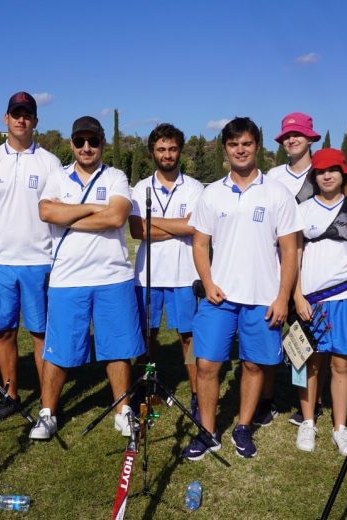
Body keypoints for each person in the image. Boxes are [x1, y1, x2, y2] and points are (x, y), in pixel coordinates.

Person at [181, 117, 301, 460]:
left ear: (258, 147)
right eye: (234, 144)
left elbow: (290, 250)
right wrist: (208, 282)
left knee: (253, 365)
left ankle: (244, 426)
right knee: (206, 365)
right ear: (225, 149)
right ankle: (207, 431)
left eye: (246, 144)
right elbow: (200, 244)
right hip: (220, 297)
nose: (240, 150)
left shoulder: (277, 193)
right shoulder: (211, 193)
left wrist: (282, 297)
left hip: (263, 298)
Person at [28, 116, 145, 440]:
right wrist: (96, 210)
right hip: (68, 278)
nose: (86, 147)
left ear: (102, 143)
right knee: (58, 350)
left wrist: (71, 215)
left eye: (93, 141)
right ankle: (47, 413)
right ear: (71, 144)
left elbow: (117, 216)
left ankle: (123, 410)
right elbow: (46, 212)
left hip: (112, 277)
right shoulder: (57, 177)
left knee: (118, 348)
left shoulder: (117, 176)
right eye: (80, 141)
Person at [258, 111, 347, 428]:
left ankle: (313, 406)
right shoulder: (273, 175)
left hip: (310, 274)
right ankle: (268, 400)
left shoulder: (324, 171)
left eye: (298, 135)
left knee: (308, 343)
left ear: (310, 139)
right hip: (276, 268)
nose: (292, 140)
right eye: (287, 136)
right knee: (286, 340)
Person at [0, 92, 62, 424]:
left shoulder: (51, 163)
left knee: (40, 334)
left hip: (39, 261)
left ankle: (46, 401)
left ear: (36, 121)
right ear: (6, 118)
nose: (21, 119)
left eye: (27, 114)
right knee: (4, 331)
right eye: (16, 114)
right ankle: (9, 394)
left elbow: (55, 212)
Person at [292, 148, 347, 455]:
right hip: (309, 300)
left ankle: (340, 427)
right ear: (315, 176)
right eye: (321, 171)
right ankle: (308, 422)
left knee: (341, 365)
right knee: (309, 363)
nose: (327, 176)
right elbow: (294, 255)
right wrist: (297, 295)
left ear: (344, 175)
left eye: (333, 170)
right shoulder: (301, 210)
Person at [128, 123, 204, 418]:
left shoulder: (195, 188)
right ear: (152, 153)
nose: (167, 154)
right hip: (147, 275)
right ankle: (147, 389)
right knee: (147, 337)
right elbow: (137, 230)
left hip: (185, 275)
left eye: (172, 149)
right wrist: (178, 225)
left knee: (189, 338)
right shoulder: (141, 187)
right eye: (161, 149)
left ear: (179, 151)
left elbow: (195, 227)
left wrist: (154, 224)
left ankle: (198, 394)